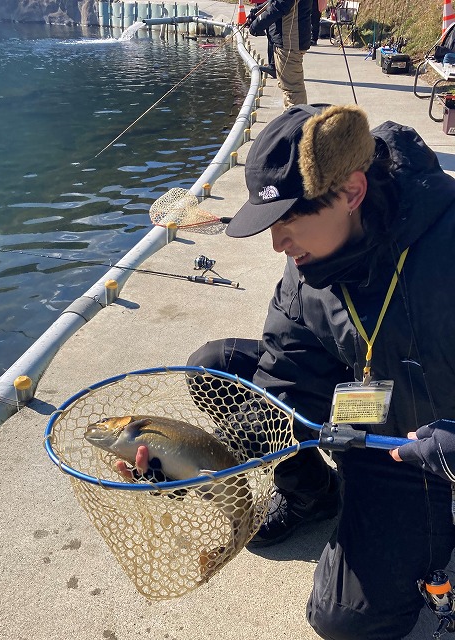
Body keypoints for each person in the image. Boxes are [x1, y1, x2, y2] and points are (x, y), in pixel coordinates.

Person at [187, 103, 455, 639]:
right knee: (215, 370)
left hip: (418, 451)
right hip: (359, 418)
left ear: (352, 192)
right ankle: (313, 494)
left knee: (345, 622)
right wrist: (194, 468)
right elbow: (284, 378)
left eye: (288, 219)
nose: (277, 243)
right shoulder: (306, 266)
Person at [246, 0, 312, 108]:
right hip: (288, 40)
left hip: (290, 41)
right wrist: (257, 11)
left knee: (292, 91)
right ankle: (292, 115)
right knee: (288, 88)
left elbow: (281, 5)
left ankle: (296, 117)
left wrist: (257, 24)